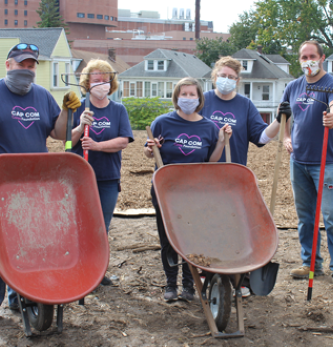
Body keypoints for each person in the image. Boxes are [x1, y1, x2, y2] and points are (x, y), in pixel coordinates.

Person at [200, 56, 291, 296]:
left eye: (231, 77)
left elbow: (261, 137)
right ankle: (207, 270)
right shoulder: (202, 101)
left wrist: (279, 121)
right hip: (204, 175)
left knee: (236, 227)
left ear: (238, 81)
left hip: (234, 177)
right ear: (214, 76)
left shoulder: (245, 105)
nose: (226, 80)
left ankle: (239, 276)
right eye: (222, 75)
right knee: (207, 225)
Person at [0, 43, 81, 310]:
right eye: (21, 64)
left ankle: (22, 296)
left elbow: (59, 134)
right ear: (8, 65)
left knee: (30, 239)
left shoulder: (42, 95)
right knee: (3, 240)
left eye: (31, 65)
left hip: (37, 181)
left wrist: (68, 111)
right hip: (4, 180)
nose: (27, 69)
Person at [144, 77, 232, 302]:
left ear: (200, 98)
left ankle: (189, 285)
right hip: (166, 190)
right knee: (168, 238)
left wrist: (222, 142)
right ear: (176, 97)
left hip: (195, 192)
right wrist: (150, 149)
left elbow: (211, 162)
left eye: (192, 94)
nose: (188, 98)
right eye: (184, 94)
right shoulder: (162, 122)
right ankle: (170, 284)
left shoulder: (208, 127)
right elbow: (149, 152)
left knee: (191, 238)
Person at [71, 59, 134, 286]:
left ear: (111, 83)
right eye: (96, 80)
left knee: (101, 228)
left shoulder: (118, 109)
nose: (101, 84)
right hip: (80, 178)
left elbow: (124, 141)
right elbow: (67, 143)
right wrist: (79, 126)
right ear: (87, 83)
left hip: (107, 178)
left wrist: (97, 145)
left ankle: (97, 273)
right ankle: (79, 271)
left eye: (105, 80)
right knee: (81, 225)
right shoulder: (77, 107)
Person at [281, 40, 333, 279]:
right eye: (304, 57)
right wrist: (285, 137)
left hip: (327, 161)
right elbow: (284, 116)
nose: (308, 61)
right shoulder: (293, 87)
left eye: (312, 56)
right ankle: (311, 264)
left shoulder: (330, 83)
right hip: (299, 160)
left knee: (331, 217)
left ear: (322, 58)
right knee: (305, 217)